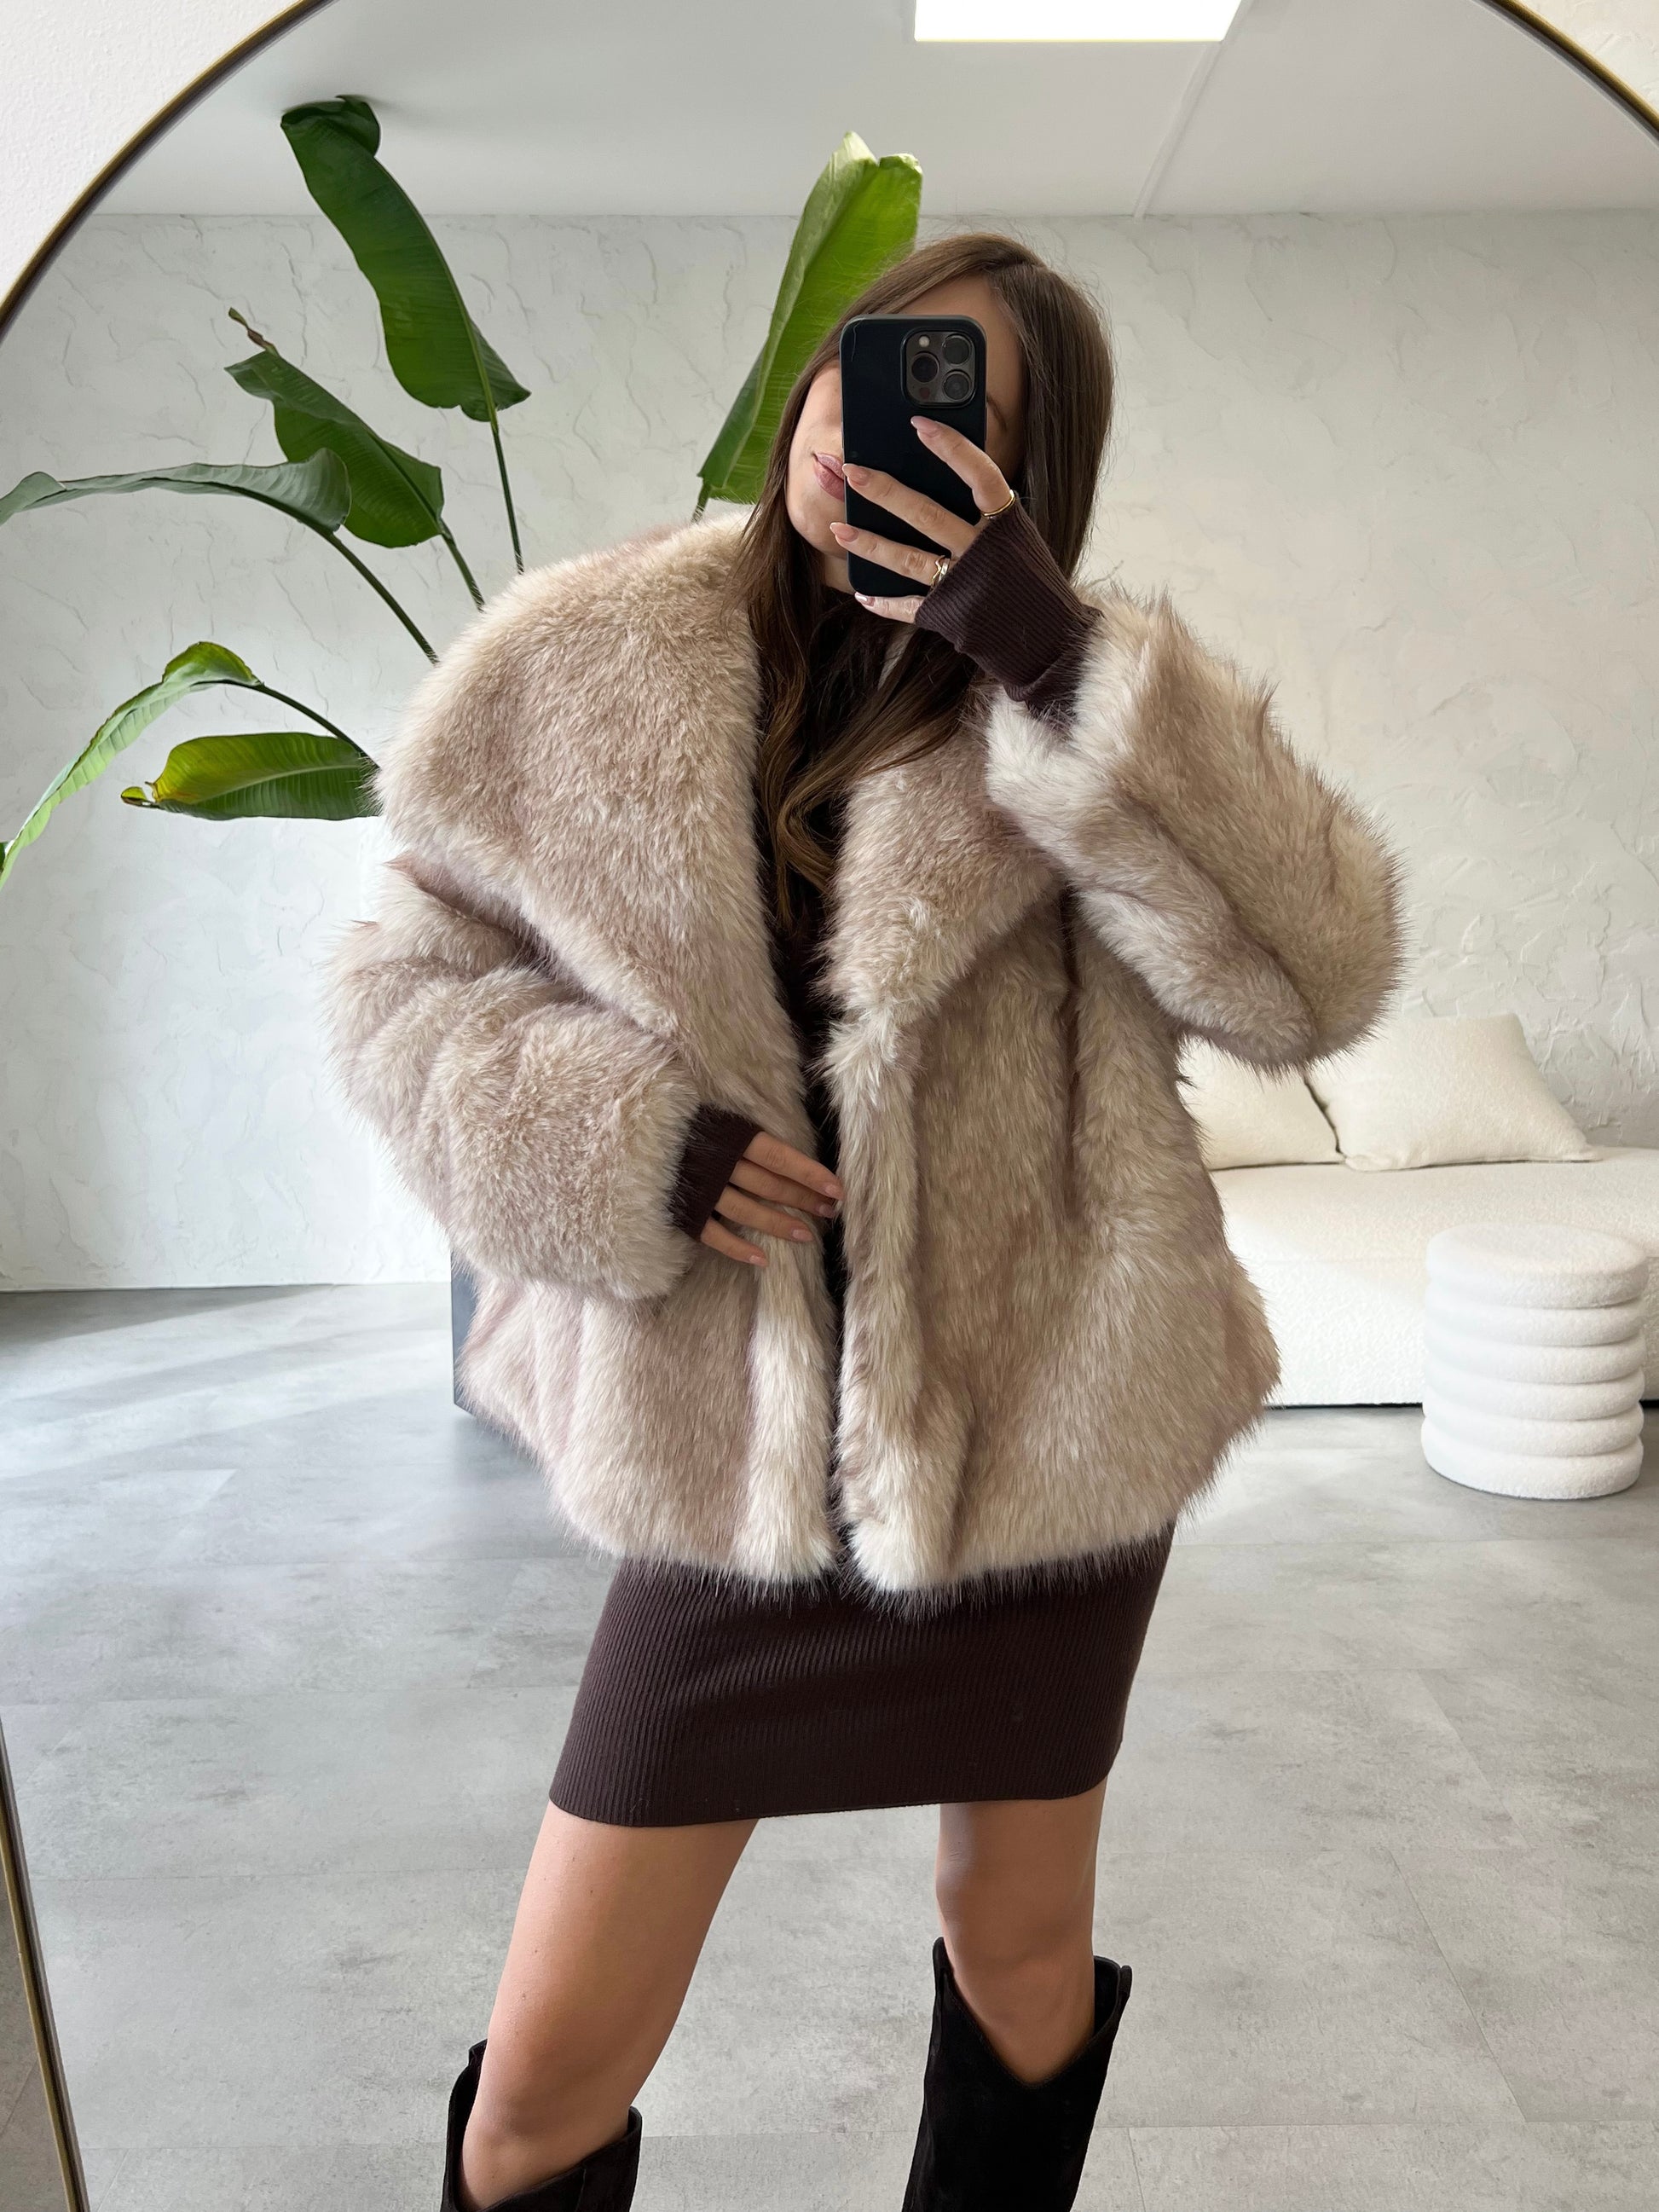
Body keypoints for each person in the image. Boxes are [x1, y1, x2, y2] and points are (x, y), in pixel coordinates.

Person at [324, 231, 1403, 2212]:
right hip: (716, 1447)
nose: (867, 424)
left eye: (951, 403)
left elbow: (1307, 981)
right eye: (866, 364)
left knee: (1019, 1950)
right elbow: (400, 990)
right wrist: (625, 1142)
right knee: (540, 2085)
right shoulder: (580, 664)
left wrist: (1050, 655)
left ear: (1018, 466)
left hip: (1037, 1437)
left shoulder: (1074, 691)